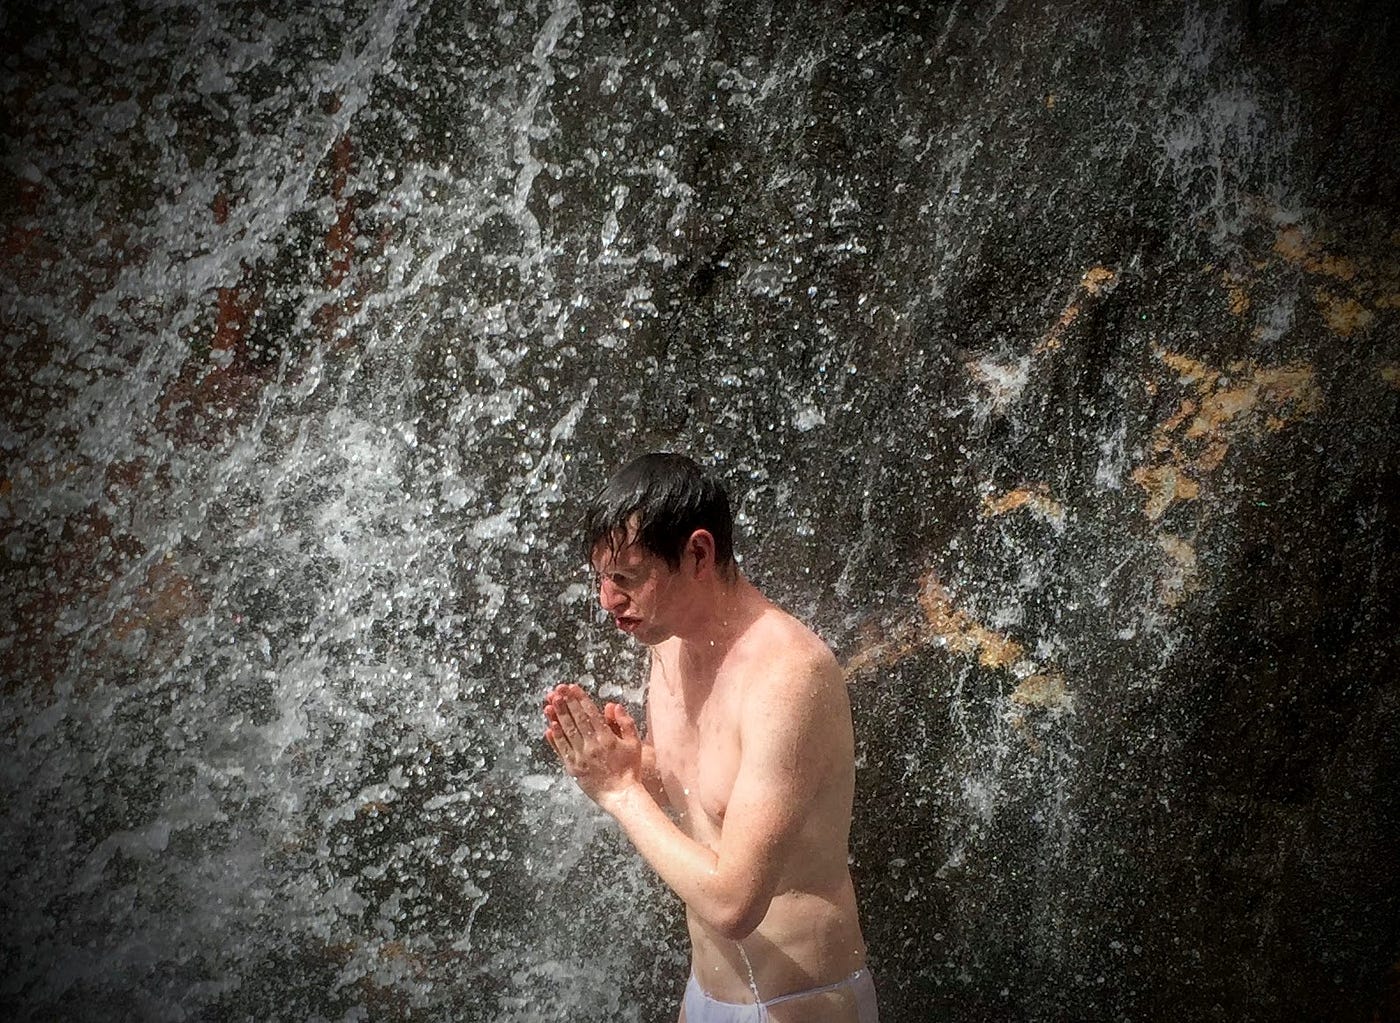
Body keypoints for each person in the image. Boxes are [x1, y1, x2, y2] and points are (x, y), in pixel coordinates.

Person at [543, 452, 878, 1023]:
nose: (607, 600)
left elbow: (734, 903)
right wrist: (635, 765)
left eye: (625, 578)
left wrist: (620, 792)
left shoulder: (789, 677)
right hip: (705, 997)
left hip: (802, 1007)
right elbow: (709, 793)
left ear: (698, 553)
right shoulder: (666, 643)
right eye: (601, 578)